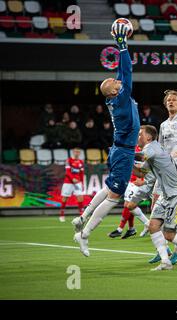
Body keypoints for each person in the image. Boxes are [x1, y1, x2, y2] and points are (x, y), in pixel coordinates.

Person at [72, 24, 140, 257]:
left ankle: (82, 216)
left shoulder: (116, 96)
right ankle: (84, 234)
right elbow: (128, 71)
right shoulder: (121, 99)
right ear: (113, 92)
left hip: (120, 149)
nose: (117, 79)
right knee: (114, 197)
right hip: (123, 152)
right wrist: (121, 45)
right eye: (113, 82)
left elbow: (122, 72)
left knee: (109, 187)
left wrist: (123, 45)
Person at [135, 125, 177, 271]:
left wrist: (123, 153)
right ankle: (166, 262)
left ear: (148, 137)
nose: (137, 137)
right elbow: (141, 172)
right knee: (153, 226)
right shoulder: (153, 150)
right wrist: (125, 163)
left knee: (169, 234)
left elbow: (141, 156)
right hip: (166, 195)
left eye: (140, 134)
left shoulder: (151, 148)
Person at [148, 89, 177, 265]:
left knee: (176, 212)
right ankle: (162, 249)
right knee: (154, 207)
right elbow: (159, 149)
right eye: (168, 100)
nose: (171, 102)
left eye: (174, 100)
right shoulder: (163, 125)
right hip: (164, 172)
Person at [108, 145, 152, 239]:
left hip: (138, 182)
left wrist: (143, 180)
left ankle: (121, 229)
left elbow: (144, 166)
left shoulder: (143, 150)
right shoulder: (132, 147)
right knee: (130, 206)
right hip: (131, 181)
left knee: (128, 205)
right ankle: (132, 228)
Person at [59, 148, 85, 222]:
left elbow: (81, 174)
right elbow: (68, 172)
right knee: (65, 198)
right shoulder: (69, 160)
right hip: (68, 182)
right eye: (76, 151)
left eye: (78, 152)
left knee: (80, 197)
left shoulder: (81, 162)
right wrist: (73, 178)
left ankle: (82, 215)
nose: (77, 153)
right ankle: (62, 214)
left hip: (78, 183)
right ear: (73, 152)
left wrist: (82, 183)